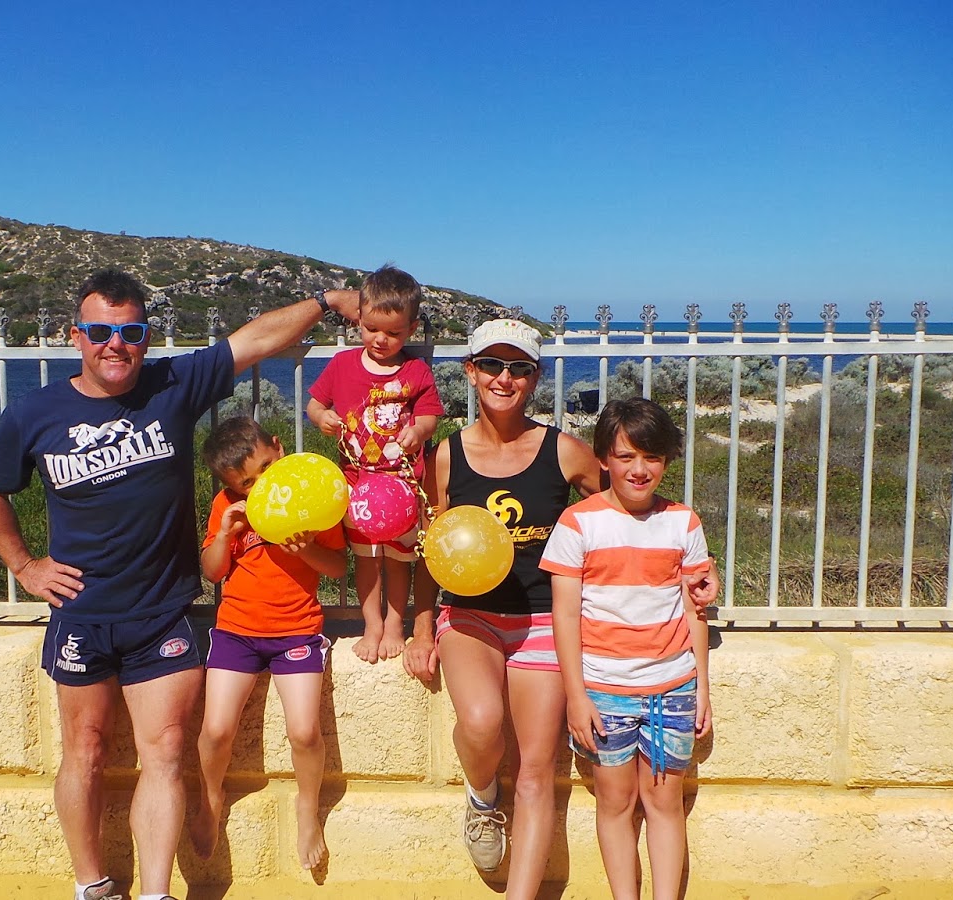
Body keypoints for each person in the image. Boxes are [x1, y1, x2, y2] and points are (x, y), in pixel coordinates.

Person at [0, 269, 360, 900]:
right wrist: (24, 566)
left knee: (168, 751)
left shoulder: (171, 386)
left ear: (146, 338)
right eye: (100, 331)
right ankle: (92, 885)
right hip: (82, 612)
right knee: (84, 751)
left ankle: (155, 892)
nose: (115, 344)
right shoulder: (34, 413)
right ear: (75, 335)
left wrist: (327, 301)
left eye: (130, 333)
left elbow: (256, 340)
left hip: (160, 612)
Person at [402, 318, 604, 898]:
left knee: (537, 772)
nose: (503, 378)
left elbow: (625, 502)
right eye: (491, 364)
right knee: (482, 722)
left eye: (518, 368)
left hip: (543, 620)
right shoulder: (445, 456)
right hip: (470, 617)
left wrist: (690, 556)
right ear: (470, 372)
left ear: (534, 378)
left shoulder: (564, 451)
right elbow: (431, 548)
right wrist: (421, 628)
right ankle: (483, 798)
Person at [541, 396, 715, 900]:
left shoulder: (683, 523)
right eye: (626, 456)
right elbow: (564, 616)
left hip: (673, 689)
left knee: (664, 804)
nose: (639, 470)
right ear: (603, 459)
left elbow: (695, 610)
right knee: (614, 803)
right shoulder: (578, 523)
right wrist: (577, 697)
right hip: (604, 692)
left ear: (666, 461)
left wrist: (702, 690)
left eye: (652, 457)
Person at [190, 416, 345, 871]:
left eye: (265, 468)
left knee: (304, 732)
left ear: (278, 447)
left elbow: (338, 568)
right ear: (230, 486)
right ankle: (211, 796)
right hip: (237, 630)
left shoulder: (308, 495)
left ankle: (307, 807)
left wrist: (305, 549)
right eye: (246, 483)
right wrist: (225, 534)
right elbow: (213, 571)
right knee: (215, 730)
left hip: (297, 629)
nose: (259, 486)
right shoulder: (226, 504)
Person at [306, 265, 443, 663]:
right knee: (366, 561)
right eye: (371, 329)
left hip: (404, 489)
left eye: (393, 333)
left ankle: (396, 623)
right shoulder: (342, 365)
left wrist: (418, 431)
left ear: (411, 329)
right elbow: (314, 404)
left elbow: (430, 415)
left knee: (399, 562)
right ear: (359, 320)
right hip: (359, 487)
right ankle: (372, 625)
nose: (380, 339)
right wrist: (321, 417)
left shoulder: (415, 371)